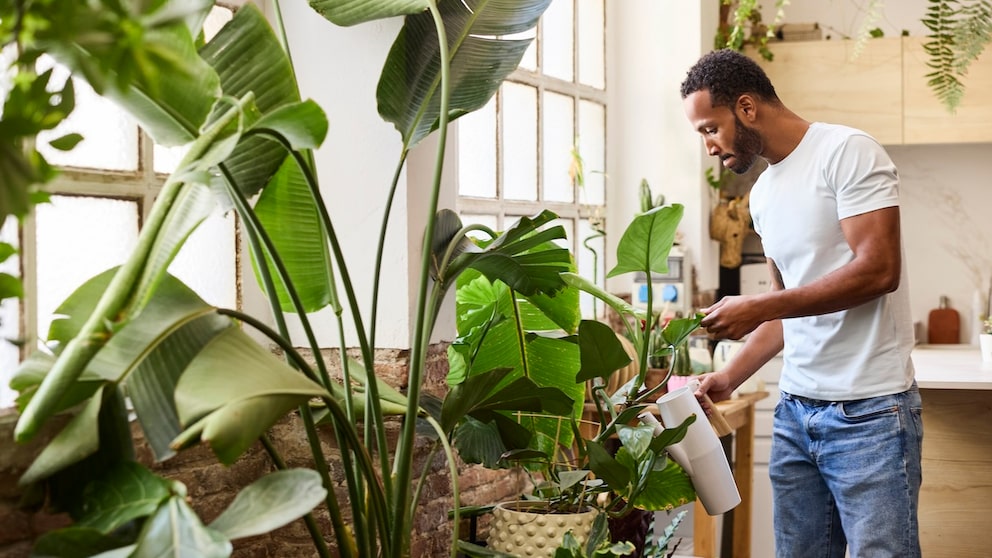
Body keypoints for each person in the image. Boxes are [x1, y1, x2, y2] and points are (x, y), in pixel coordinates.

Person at [679, 49, 922, 558]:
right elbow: (786, 310)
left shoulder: (847, 152)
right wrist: (726, 380)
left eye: (709, 128)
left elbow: (879, 269)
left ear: (746, 108)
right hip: (796, 415)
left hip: (869, 414)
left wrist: (759, 308)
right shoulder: (763, 193)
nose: (707, 146)